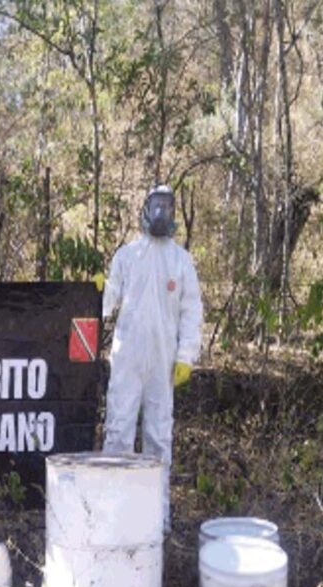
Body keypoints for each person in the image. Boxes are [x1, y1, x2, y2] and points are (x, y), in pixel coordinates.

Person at [100, 184, 203, 533]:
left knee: (158, 439)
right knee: (118, 432)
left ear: (174, 211)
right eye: (155, 205)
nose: (161, 212)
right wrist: (94, 292)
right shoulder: (127, 256)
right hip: (127, 358)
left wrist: (186, 355)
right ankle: (113, 515)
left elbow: (191, 311)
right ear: (145, 208)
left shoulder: (181, 261)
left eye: (167, 206)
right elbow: (107, 302)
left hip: (163, 362)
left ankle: (156, 520)